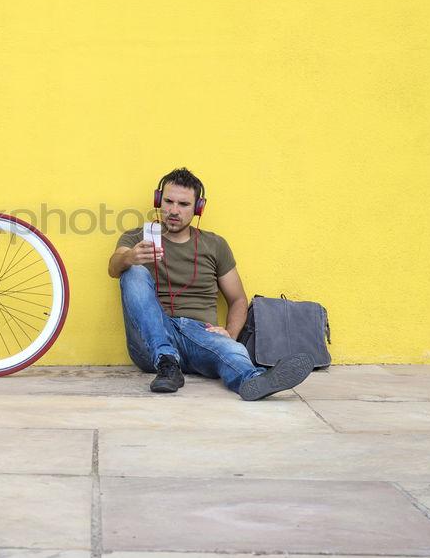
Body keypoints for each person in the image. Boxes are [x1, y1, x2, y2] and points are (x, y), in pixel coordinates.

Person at [108, 168, 312, 400]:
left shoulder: (215, 245)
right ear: (158, 201)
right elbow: (113, 268)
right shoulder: (137, 238)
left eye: (183, 204)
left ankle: (253, 380)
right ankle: (166, 360)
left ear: (198, 208)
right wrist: (129, 258)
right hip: (150, 340)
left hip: (200, 336)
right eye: (168, 201)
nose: (174, 210)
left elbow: (237, 300)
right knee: (131, 271)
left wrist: (229, 334)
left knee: (232, 350)